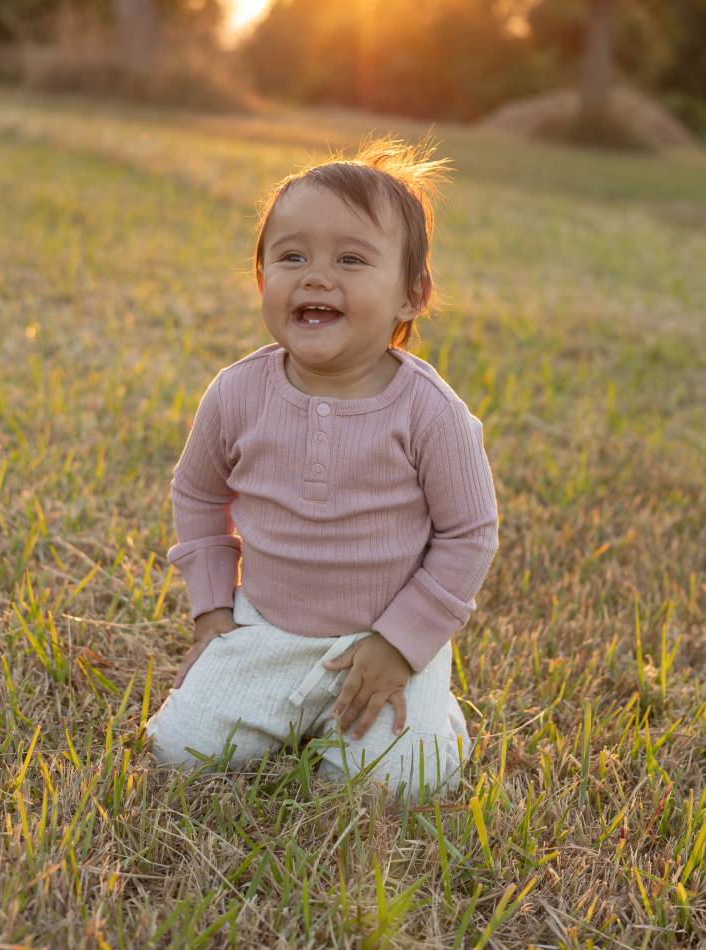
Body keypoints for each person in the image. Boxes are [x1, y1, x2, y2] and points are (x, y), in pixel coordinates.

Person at [145, 134, 499, 803]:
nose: (315, 276)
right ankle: (284, 705)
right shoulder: (237, 392)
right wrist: (213, 610)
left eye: (351, 259)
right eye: (291, 256)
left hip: (385, 636)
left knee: (393, 786)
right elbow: (197, 492)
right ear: (261, 279)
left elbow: (469, 535)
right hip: (266, 627)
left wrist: (401, 644)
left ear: (411, 295)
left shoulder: (431, 413)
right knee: (180, 751)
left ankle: (435, 716)